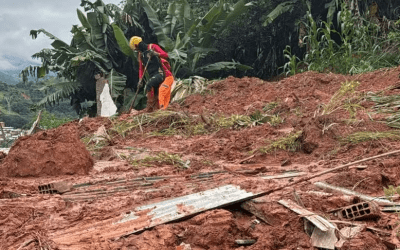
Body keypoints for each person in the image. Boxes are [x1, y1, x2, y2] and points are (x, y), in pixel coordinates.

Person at [129, 36, 174, 112]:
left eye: (136, 49)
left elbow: (166, 55)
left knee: (149, 84)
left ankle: (149, 107)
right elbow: (141, 68)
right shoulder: (141, 55)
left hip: (160, 73)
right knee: (156, 94)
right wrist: (140, 80)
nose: (138, 50)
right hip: (153, 75)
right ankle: (155, 109)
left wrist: (156, 54)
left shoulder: (152, 47)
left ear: (137, 45)